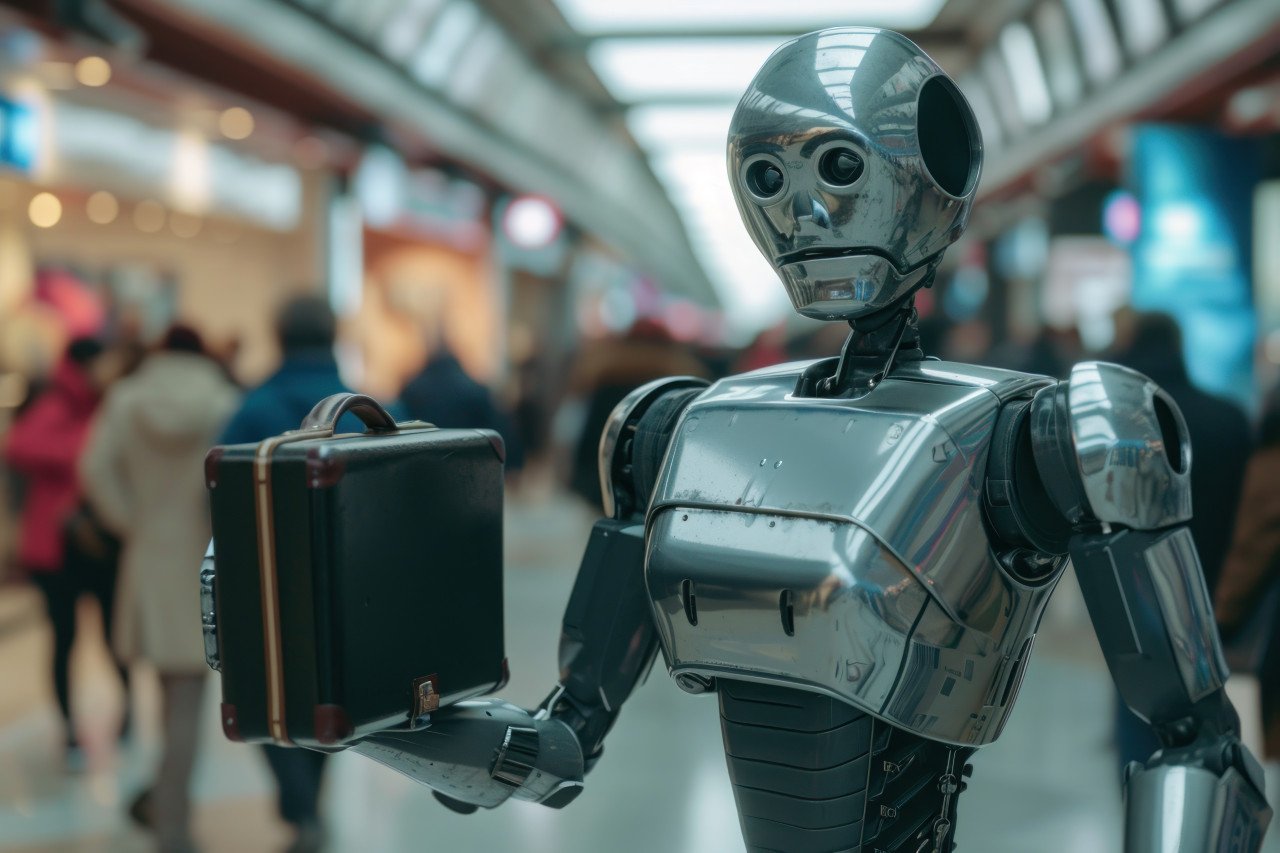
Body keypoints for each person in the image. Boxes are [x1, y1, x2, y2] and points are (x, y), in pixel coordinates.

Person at [219, 294, 392, 853]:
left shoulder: (253, 408)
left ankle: (298, 805)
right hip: (356, 578)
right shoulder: (370, 409)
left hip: (267, 580)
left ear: (278, 336)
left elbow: (223, 496)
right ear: (333, 336)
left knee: (270, 690)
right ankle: (308, 799)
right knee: (331, 688)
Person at [80, 325, 239, 852]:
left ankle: (166, 810)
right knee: (188, 704)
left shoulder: (127, 399)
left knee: (168, 698)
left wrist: (132, 522)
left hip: (148, 560)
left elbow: (94, 468)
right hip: (204, 563)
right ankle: (172, 821)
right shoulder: (223, 401)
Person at [1111, 312, 1253, 767]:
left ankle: (1143, 794)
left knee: (1138, 707)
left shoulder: (1120, 428)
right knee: (1204, 708)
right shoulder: (1229, 418)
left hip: (1132, 591)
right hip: (1207, 587)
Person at [2, 337, 127, 766]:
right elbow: (17, 446)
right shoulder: (58, 403)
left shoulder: (105, 403)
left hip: (101, 541)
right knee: (65, 638)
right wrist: (81, 452)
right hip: (58, 547)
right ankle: (69, 727)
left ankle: (127, 714)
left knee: (114, 634)